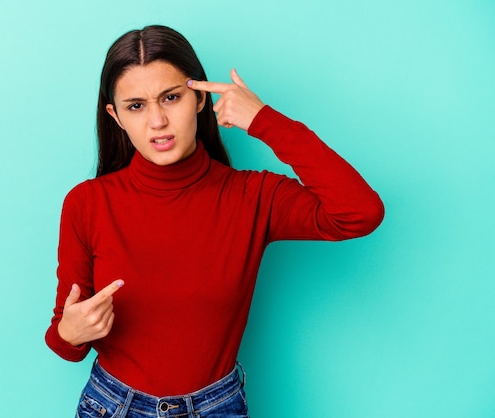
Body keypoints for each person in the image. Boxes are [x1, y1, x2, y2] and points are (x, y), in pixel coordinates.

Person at [45, 25, 384, 417]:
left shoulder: (252, 197)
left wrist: (263, 120)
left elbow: (360, 213)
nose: (157, 121)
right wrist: (71, 332)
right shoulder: (87, 203)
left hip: (216, 406)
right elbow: (63, 340)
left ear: (200, 98)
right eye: (136, 106)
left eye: (171, 98)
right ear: (116, 116)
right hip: (111, 405)